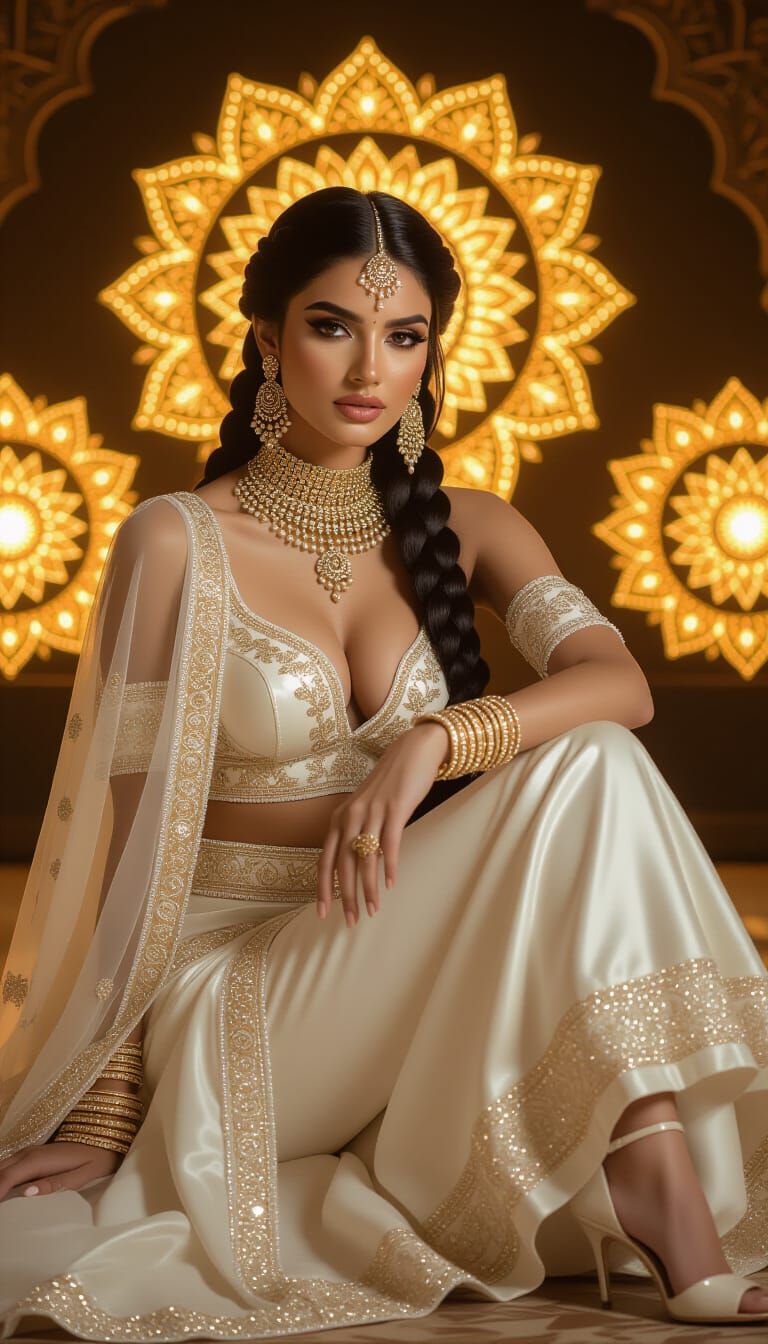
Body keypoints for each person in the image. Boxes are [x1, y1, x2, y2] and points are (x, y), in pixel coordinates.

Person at [0, 186, 767, 1338]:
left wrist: (437, 737)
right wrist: (108, 1112)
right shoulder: (176, 542)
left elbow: (625, 684)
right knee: (585, 766)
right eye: (331, 325)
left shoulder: (475, 525)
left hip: (410, 953)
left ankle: (648, 1168)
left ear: (430, 355)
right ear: (266, 336)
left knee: (595, 753)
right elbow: (131, 836)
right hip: (237, 990)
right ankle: (660, 1193)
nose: (368, 368)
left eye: (403, 336)